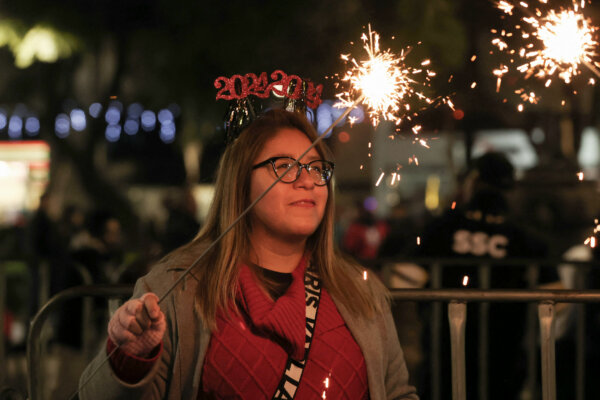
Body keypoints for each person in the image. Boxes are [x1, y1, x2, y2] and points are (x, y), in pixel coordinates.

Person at [79, 109, 418, 399]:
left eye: (317, 169)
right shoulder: (177, 288)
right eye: (285, 167)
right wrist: (131, 358)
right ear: (240, 182)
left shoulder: (361, 291)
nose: (307, 182)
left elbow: (399, 393)